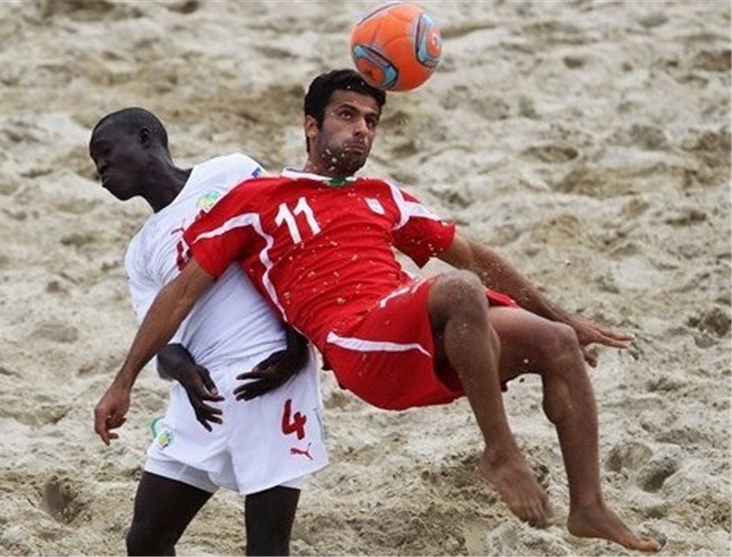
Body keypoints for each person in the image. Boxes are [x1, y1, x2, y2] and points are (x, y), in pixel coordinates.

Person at [102, 71, 661, 552]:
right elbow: (180, 294)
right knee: (460, 288)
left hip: (405, 324)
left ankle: (587, 505)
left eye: (371, 120)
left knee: (556, 340)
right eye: (347, 115)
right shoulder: (260, 197)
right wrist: (124, 380)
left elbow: (476, 255)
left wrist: (565, 316)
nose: (361, 129)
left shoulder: (380, 195)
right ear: (311, 126)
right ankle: (501, 452)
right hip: (358, 338)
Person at [89, 107, 328, 556]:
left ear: (145, 138)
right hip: (203, 397)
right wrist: (179, 367)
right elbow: (161, 339)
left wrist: (299, 343)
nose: (100, 169)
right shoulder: (140, 252)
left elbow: (290, 249)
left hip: (271, 375)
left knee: (267, 543)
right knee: (145, 540)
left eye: (104, 153)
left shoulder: (232, 171)